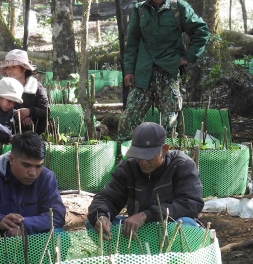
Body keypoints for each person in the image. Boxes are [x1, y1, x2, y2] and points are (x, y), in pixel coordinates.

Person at [87, 122, 204, 240]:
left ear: (164, 150)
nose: (143, 162)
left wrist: (147, 215)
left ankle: (177, 258)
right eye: (138, 155)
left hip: (168, 227)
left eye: (148, 156)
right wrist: (101, 215)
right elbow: (108, 197)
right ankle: (122, 257)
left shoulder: (182, 165)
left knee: (186, 224)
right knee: (93, 224)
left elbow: (191, 204)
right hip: (137, 231)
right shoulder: (128, 168)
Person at [118, 0, 209, 141]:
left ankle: (167, 156)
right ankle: (129, 156)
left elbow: (201, 31)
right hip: (143, 73)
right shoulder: (140, 9)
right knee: (129, 118)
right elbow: (132, 42)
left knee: (170, 121)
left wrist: (188, 57)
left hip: (168, 72)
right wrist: (129, 70)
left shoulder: (178, 7)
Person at [0, 131, 66, 240]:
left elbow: (57, 215)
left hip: (33, 236)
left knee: (60, 236)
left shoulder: (46, 177)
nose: (33, 173)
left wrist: (24, 226)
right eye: (26, 165)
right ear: (12, 159)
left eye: (38, 166)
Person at [0, 49, 50, 135]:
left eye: (14, 67)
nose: (10, 71)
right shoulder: (3, 86)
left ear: (24, 69)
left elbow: (45, 110)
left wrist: (30, 111)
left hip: (36, 131)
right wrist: (19, 115)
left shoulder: (36, 86)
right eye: (7, 68)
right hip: (10, 131)